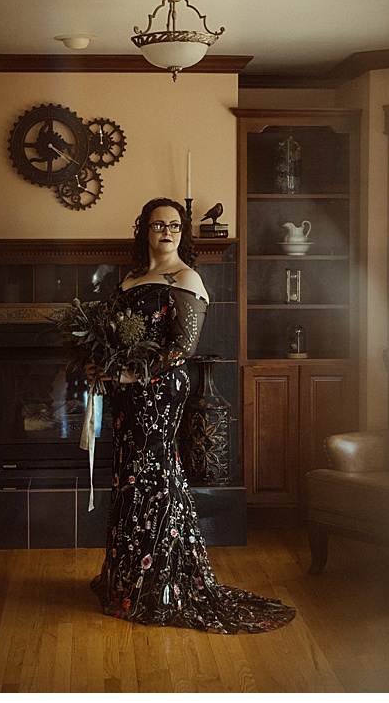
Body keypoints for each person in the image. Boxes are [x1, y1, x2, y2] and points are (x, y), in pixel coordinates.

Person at [88, 197, 296, 633]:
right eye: (158, 224)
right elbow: (113, 334)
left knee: (156, 474)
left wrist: (127, 375)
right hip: (128, 390)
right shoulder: (130, 278)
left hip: (158, 389)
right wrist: (100, 365)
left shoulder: (186, 278)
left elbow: (181, 349)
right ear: (144, 229)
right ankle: (129, 577)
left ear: (183, 233)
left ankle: (161, 581)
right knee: (130, 474)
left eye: (175, 226)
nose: (166, 231)